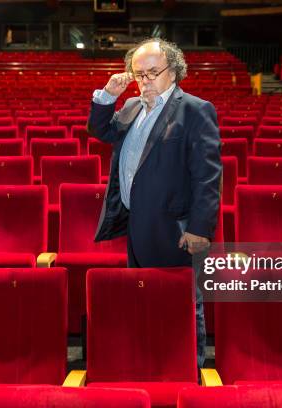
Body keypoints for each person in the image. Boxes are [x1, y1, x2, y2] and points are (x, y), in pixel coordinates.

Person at [87, 37, 221, 368]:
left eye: (152, 72)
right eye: (138, 74)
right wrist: (108, 96)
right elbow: (99, 131)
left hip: (176, 230)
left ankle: (189, 370)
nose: (145, 80)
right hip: (136, 224)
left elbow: (207, 176)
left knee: (183, 306)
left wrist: (199, 229)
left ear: (173, 71)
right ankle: (150, 366)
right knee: (143, 299)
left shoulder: (195, 109)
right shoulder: (131, 107)